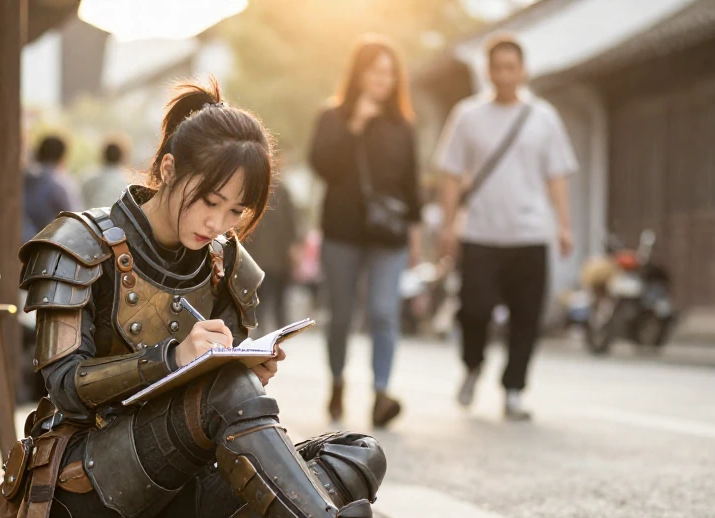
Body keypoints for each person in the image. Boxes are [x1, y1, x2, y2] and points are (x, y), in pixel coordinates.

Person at [0, 79, 453, 518]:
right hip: (85, 488)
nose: (218, 223)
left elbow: (223, 405)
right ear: (168, 170)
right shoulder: (80, 242)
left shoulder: (224, 261)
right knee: (227, 392)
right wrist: (172, 358)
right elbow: (64, 387)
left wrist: (247, 366)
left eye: (237, 210)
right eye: (210, 202)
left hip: (178, 490)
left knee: (358, 454)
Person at [434, 35, 577, 421]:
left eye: (511, 67)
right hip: (480, 232)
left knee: (526, 316)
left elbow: (557, 176)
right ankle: (473, 364)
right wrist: (448, 227)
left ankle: (513, 390)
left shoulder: (544, 117)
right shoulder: (467, 115)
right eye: (497, 67)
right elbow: (450, 175)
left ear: (523, 70)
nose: (504, 75)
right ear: (487, 71)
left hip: (530, 233)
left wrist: (564, 225)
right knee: (474, 310)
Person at [309, 35, 422, 428]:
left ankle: (380, 393)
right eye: (375, 72)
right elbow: (321, 166)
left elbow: (411, 184)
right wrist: (354, 124)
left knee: (382, 312)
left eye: (389, 73)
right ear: (359, 74)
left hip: (388, 235)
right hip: (341, 231)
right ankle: (338, 381)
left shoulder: (402, 126)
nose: (382, 80)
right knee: (341, 315)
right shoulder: (333, 117)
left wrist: (416, 235)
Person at [243, 175, 301, 334]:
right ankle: (260, 330)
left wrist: (293, 246)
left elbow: (291, 221)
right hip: (256, 258)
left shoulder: (282, 190)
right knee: (259, 298)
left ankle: (280, 331)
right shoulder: (251, 187)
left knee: (278, 298)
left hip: (278, 257)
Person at [22, 134, 80, 243]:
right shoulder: (60, 182)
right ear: (62, 156)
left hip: (21, 241)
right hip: (49, 246)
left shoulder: (24, 177)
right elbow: (75, 221)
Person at [81, 136, 133, 210]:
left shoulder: (87, 176)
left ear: (103, 154)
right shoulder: (125, 184)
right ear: (122, 157)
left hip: (85, 219)